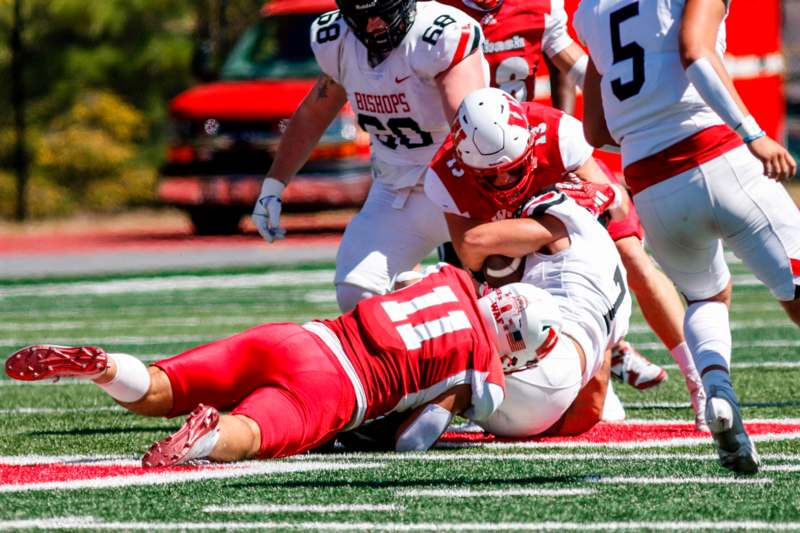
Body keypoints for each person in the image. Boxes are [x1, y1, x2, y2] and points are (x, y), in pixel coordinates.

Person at [4, 265, 577, 464]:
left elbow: (398, 289)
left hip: (298, 337)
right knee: (251, 432)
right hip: (336, 388)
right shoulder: (487, 371)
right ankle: (207, 435)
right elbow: (412, 440)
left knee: (160, 385)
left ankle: (103, 366)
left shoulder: (449, 278)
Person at [574, 0, 800, 474]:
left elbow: (595, 127)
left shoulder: (592, 9)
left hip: (652, 184)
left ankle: (717, 390)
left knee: (706, 296)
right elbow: (695, 52)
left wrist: (651, 133)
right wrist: (753, 133)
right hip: (721, 154)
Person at [424, 87, 707, 427]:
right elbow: (471, 249)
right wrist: (555, 224)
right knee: (498, 273)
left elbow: (615, 205)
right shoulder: (445, 173)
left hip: (578, 235)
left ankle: (701, 384)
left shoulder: (557, 131)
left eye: (512, 170)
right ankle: (524, 382)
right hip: (543, 228)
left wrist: (594, 200)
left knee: (634, 258)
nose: (503, 181)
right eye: (489, 176)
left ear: (529, 144)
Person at [251, 0, 487, 313]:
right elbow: (314, 112)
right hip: (395, 191)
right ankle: (420, 348)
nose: (374, 26)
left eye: (383, 14)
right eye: (361, 18)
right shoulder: (338, 40)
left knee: (494, 294)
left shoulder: (437, 36)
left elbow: (468, 123)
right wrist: (273, 185)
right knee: (356, 292)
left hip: (462, 185)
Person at [437, 0, 588, 113]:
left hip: (519, 131)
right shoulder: (435, 8)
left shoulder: (540, 6)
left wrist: (564, 126)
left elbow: (566, 64)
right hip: (455, 135)